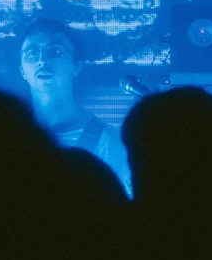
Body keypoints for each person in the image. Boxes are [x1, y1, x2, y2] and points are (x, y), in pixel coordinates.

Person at [17, 17, 130, 192]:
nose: (42, 60)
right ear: (22, 70)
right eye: (32, 53)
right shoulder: (7, 138)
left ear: (77, 66)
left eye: (55, 51)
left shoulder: (109, 143)